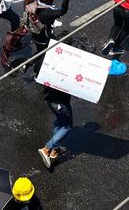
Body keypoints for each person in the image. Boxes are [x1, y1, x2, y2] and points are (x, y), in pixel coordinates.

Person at [37, 29, 75, 168]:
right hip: (61, 101)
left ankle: (55, 150)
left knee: (59, 122)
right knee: (67, 126)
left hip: (49, 98)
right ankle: (47, 148)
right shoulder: (69, 63)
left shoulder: (49, 56)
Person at [28, 0, 71, 74]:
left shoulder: (33, 5)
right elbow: (63, 11)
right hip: (44, 37)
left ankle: (30, 62)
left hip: (35, 34)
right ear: (49, 0)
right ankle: (37, 70)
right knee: (44, 54)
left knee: (40, 50)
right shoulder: (48, 12)